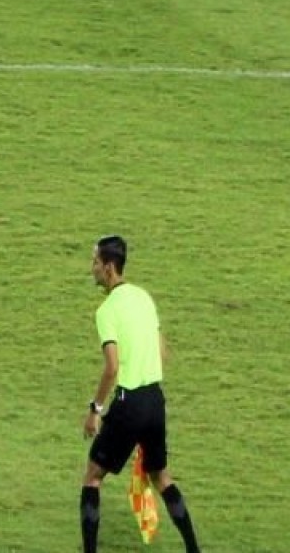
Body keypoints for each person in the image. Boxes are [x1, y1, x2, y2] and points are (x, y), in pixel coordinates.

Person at [81, 236, 202, 553]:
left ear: (109, 267)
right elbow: (163, 352)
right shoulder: (144, 298)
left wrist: (95, 409)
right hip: (155, 400)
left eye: (95, 262)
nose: (91, 268)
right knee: (161, 477)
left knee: (93, 476)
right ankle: (194, 550)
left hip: (129, 402)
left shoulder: (107, 310)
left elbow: (111, 367)